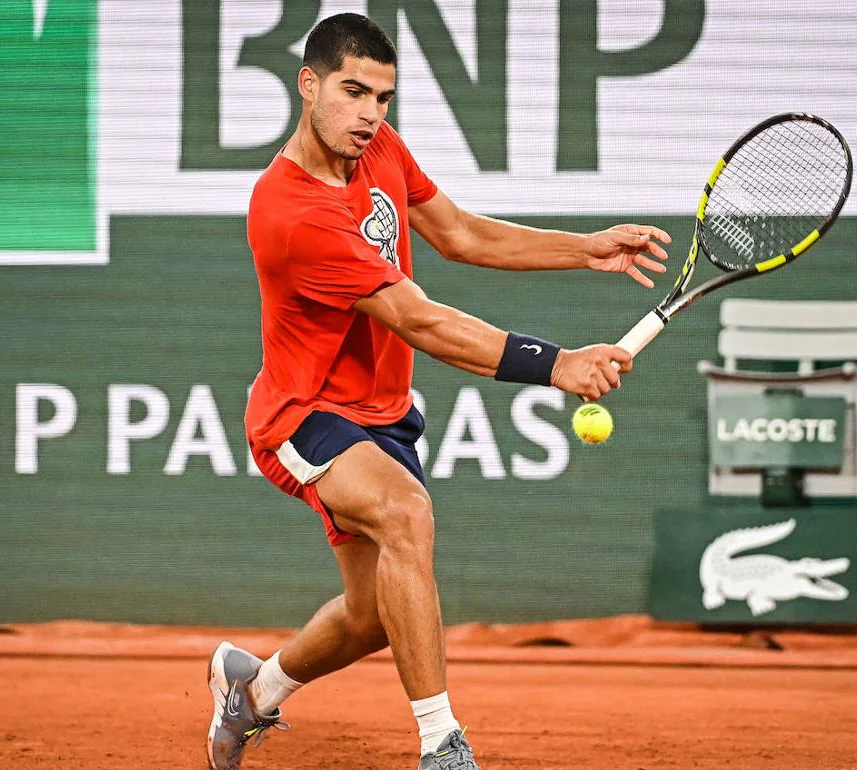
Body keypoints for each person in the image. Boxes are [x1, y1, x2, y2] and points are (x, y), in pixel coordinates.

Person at [206, 12, 670, 770]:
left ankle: (252, 694)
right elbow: (419, 319)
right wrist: (555, 365)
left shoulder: (377, 148)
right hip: (305, 414)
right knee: (406, 514)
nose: (369, 115)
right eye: (354, 93)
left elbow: (459, 234)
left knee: (372, 617)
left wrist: (583, 249)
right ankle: (442, 748)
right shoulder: (292, 211)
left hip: (384, 414)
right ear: (309, 83)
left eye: (383, 98)